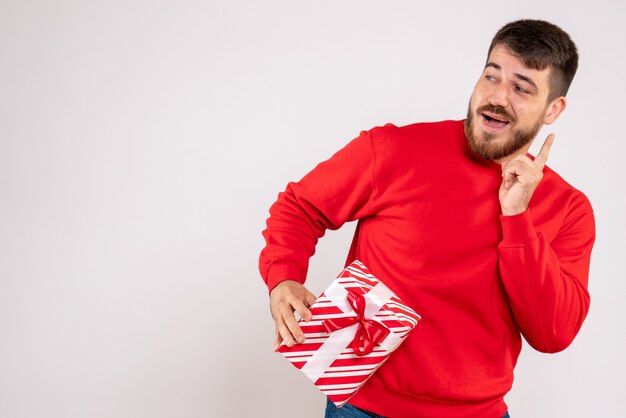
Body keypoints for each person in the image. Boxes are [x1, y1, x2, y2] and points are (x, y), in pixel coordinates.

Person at [259, 19, 595, 418]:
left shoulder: (570, 208)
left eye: (521, 88)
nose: (497, 97)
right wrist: (283, 277)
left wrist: (517, 218)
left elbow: (553, 332)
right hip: (362, 407)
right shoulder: (394, 150)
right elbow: (300, 206)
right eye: (491, 76)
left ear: (553, 109)